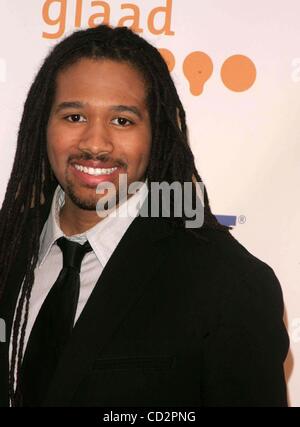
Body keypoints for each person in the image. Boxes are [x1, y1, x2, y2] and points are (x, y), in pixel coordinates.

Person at [0, 24, 289, 407]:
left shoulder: (228, 282)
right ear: (43, 124)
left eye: (122, 120)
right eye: (74, 117)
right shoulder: (7, 248)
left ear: (158, 135)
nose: (95, 144)